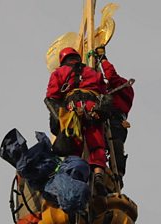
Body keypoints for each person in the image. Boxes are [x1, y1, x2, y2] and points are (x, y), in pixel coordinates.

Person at [45, 47, 111, 196]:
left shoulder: (59, 73)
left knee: (73, 146)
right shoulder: (94, 73)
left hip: (72, 111)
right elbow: (105, 95)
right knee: (97, 144)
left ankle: (75, 177)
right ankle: (99, 174)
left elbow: (51, 97)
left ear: (63, 60)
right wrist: (100, 111)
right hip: (92, 108)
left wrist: (59, 119)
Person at [95, 46, 134, 188]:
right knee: (113, 147)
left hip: (113, 121)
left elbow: (111, 75)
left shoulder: (122, 86)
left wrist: (103, 59)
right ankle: (115, 176)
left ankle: (112, 176)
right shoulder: (119, 92)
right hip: (115, 122)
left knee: (105, 145)